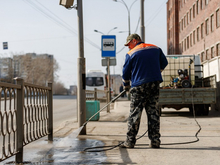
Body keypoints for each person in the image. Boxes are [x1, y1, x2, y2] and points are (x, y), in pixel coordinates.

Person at [121, 33, 168, 149]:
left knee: (135, 113)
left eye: (129, 44)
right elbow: (164, 62)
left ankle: (130, 141)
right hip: (154, 84)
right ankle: (155, 141)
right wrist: (157, 71)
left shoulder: (131, 54)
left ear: (134, 40)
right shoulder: (156, 49)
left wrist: (126, 86)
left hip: (138, 87)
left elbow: (125, 73)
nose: (128, 47)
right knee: (153, 113)